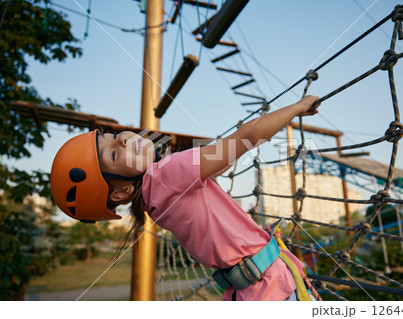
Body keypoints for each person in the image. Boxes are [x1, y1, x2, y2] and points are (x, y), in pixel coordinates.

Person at [51, 95, 322, 301]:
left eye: (110, 136)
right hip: (273, 287)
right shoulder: (167, 174)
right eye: (112, 154)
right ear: (121, 192)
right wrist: (297, 107)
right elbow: (247, 138)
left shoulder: (154, 201)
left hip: (251, 292)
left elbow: (222, 162)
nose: (121, 140)